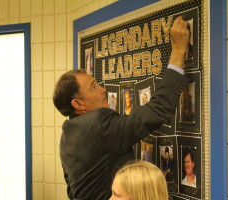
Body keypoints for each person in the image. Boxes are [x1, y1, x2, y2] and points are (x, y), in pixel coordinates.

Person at [53, 16, 190, 200]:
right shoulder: (99, 124)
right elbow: (158, 110)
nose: (103, 89)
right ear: (78, 104)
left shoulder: (67, 135)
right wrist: (178, 52)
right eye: (94, 86)